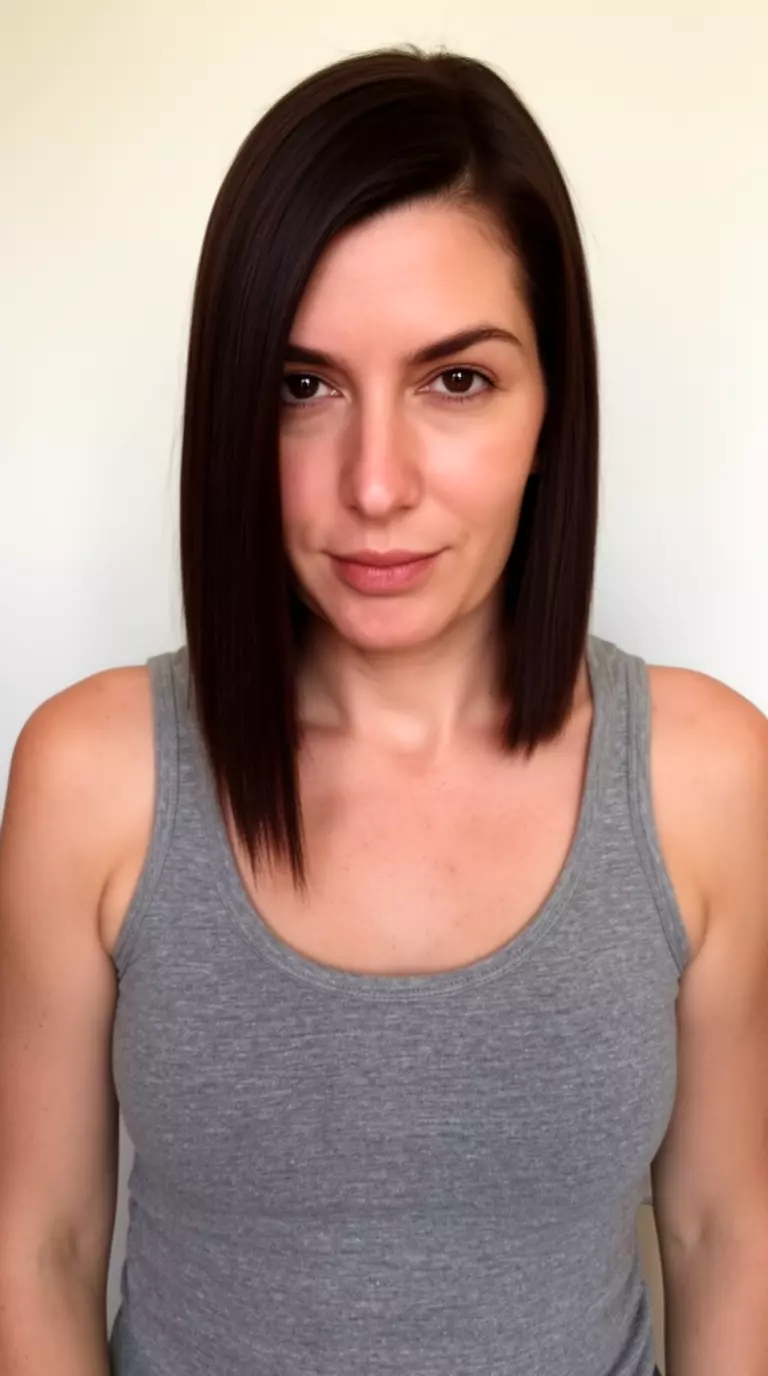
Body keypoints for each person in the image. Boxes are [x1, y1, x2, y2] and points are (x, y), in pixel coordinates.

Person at [0, 44, 766, 1376]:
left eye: (454, 381)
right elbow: (42, 1247)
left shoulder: (705, 775)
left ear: (552, 409)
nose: (374, 482)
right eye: (303, 388)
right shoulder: (91, 777)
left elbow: (725, 1231)